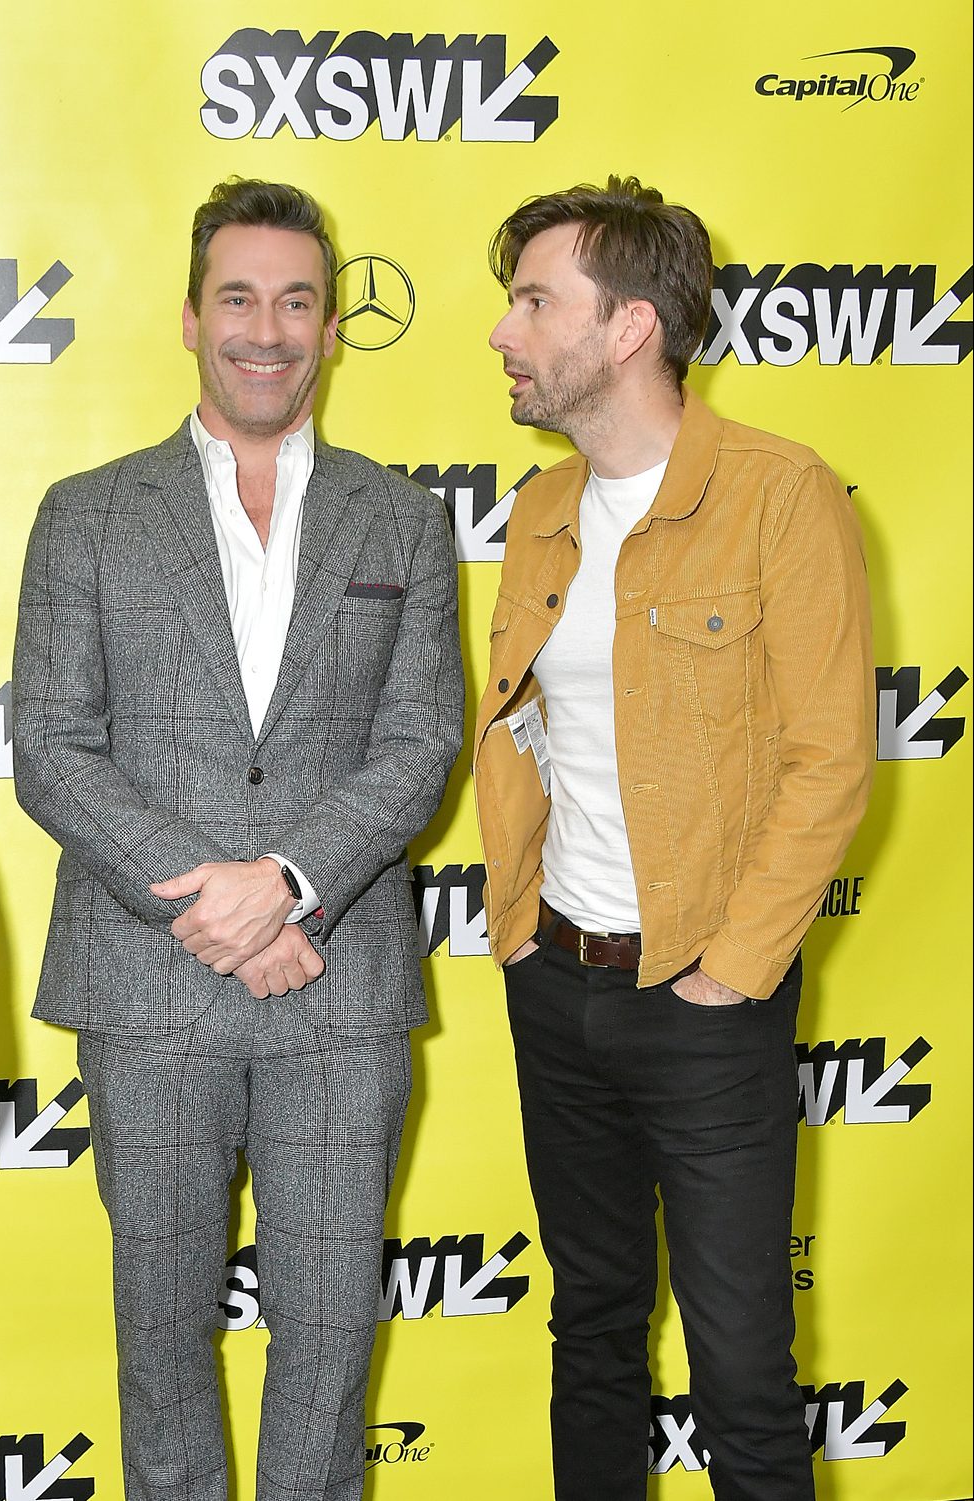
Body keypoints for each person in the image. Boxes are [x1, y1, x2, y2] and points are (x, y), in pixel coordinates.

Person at [12, 177, 463, 1501]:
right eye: (238, 297)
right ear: (191, 316)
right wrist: (208, 908)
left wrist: (286, 887)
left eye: (296, 301)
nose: (265, 328)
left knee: (329, 1349)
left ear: (331, 328)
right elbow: (50, 743)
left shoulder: (401, 516)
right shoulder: (84, 512)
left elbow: (419, 741)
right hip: (151, 995)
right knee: (161, 1350)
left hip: (338, 992)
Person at [474, 175, 874, 1500]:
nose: (505, 332)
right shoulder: (537, 512)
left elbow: (828, 758)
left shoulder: (777, 494)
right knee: (589, 1339)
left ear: (629, 326)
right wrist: (520, 935)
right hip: (558, 988)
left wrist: (731, 970)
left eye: (534, 301)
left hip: (704, 998)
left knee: (741, 1371)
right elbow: (526, 735)